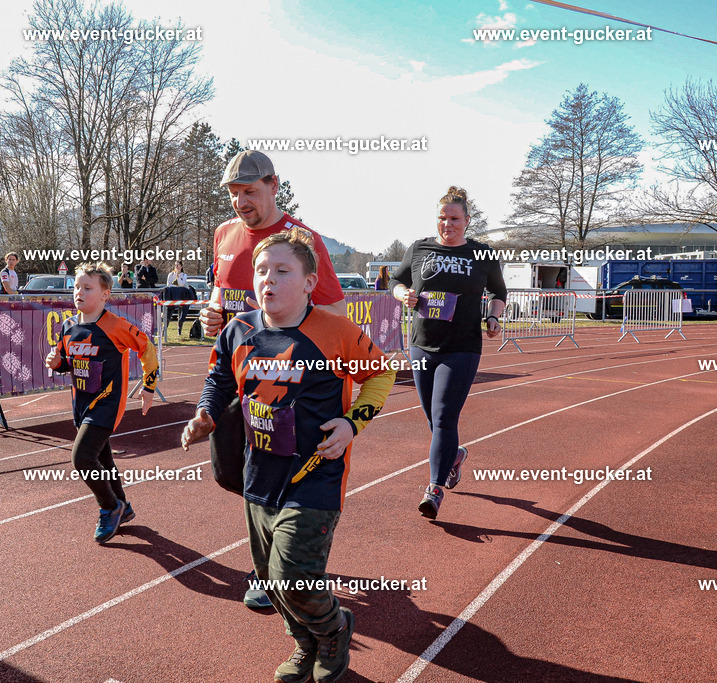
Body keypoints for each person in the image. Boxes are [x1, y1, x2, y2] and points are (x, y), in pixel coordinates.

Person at [182, 229, 395, 683]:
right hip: (258, 478)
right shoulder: (239, 330)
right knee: (268, 578)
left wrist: (351, 423)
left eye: (282, 271)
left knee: (291, 575)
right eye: (261, 271)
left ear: (308, 282)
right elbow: (220, 380)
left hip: (316, 475)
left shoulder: (335, 331)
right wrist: (205, 414)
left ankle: (335, 630)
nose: (269, 280)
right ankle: (304, 646)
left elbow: (381, 374)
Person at [198, 149, 347, 610]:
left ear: (273, 185)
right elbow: (222, 298)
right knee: (230, 473)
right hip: (236, 377)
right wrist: (212, 318)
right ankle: (284, 545)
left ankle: (275, 564)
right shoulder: (224, 235)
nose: (241, 201)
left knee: (279, 472)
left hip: (291, 382)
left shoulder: (302, 239)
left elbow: (336, 312)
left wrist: (281, 324)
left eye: (250, 191)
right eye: (234, 193)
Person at [390, 186, 506, 518]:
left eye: (454, 218)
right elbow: (394, 281)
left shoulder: (482, 254)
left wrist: (494, 315)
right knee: (432, 418)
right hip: (422, 347)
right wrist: (403, 295)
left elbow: (499, 291)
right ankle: (454, 456)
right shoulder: (419, 248)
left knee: (443, 418)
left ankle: (435, 487)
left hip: (462, 348)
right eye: (442, 218)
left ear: (467, 221)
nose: (447, 224)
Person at [45, 262, 159, 543]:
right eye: (76, 287)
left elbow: (146, 347)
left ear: (105, 294)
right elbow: (64, 363)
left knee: (82, 457)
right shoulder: (69, 326)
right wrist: (57, 363)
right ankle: (124, 505)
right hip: (80, 404)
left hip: (107, 404)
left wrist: (149, 386)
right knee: (103, 459)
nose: (79, 293)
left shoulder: (115, 326)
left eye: (87, 288)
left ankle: (109, 507)